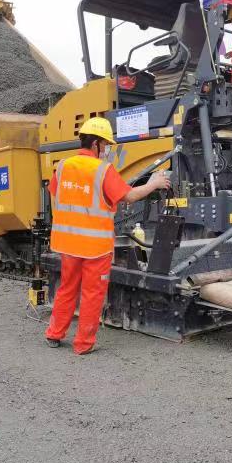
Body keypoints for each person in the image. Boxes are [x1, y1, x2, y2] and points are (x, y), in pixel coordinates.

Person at [44, 117, 171, 355]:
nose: (106, 150)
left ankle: (54, 334)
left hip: (67, 242)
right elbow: (129, 196)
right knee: (92, 294)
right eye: (105, 145)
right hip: (95, 246)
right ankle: (83, 345)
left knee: (67, 288)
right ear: (96, 144)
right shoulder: (102, 170)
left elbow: (58, 193)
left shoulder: (63, 166)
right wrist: (154, 184)